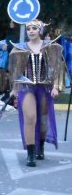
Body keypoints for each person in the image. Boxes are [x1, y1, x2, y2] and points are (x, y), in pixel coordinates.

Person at [8, 19, 63, 167]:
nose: (31, 31)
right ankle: (30, 154)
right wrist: (14, 89)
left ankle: (41, 146)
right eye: (28, 29)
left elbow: (57, 68)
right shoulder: (19, 48)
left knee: (43, 121)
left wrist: (56, 86)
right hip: (26, 87)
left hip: (44, 87)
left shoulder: (50, 47)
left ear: (40, 31)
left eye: (34, 28)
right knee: (30, 117)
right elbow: (16, 72)